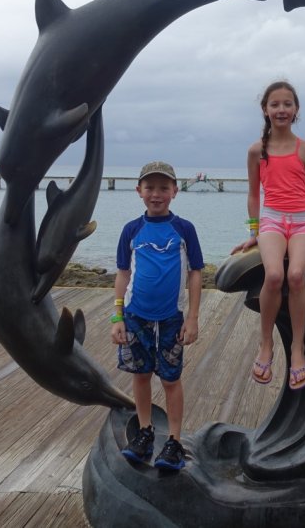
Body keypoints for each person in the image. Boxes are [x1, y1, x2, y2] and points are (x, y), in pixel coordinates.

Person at [232, 81, 305, 390]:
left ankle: (298, 348)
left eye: (287, 104)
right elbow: (253, 194)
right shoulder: (257, 150)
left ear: (296, 110)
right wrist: (253, 232)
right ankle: (266, 344)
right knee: (273, 275)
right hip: (272, 218)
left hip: (302, 221)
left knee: (296, 275)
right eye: (275, 104)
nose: (281, 109)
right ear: (265, 110)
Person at [111, 161, 203, 471]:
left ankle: (174, 441)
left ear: (175, 191)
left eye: (164, 188)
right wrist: (117, 317)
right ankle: (145, 431)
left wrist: (192, 317)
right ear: (139, 191)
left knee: (170, 378)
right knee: (140, 374)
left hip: (171, 318)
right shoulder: (131, 230)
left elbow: (195, 273)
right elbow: (123, 274)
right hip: (136, 315)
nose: (156, 194)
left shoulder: (184, 229)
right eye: (149, 187)